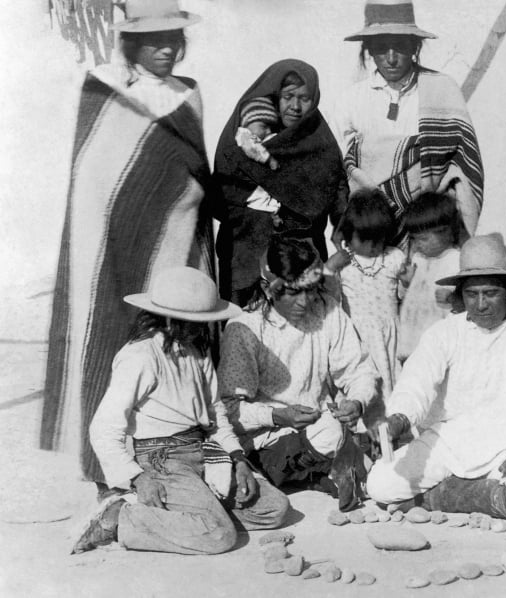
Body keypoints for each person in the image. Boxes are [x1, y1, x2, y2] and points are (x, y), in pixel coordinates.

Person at [42, 0, 215, 493]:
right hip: (115, 247)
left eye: (173, 39)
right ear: (133, 41)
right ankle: (109, 470)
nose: (165, 47)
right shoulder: (104, 85)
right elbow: (93, 176)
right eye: (154, 39)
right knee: (117, 343)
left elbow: (194, 166)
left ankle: (182, 452)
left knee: (180, 341)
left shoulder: (189, 93)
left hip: (181, 241)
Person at [72, 267, 290, 555]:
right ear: (169, 319)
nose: (201, 328)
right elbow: (103, 429)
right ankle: (119, 517)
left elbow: (216, 415)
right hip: (162, 460)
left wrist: (238, 460)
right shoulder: (140, 356)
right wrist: (140, 478)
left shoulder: (196, 352)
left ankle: (195, 514)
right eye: (194, 322)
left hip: (201, 450)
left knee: (274, 508)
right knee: (219, 537)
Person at [366, 234, 506, 519]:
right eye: (472, 294)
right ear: (460, 294)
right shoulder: (445, 332)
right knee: (380, 485)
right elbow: (417, 382)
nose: (481, 304)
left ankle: (434, 497)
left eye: (491, 293)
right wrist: (400, 417)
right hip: (448, 441)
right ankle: (479, 495)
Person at [218, 235, 379, 511]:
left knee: (337, 433)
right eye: (294, 292)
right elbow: (229, 410)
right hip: (267, 438)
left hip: (319, 429)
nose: (305, 301)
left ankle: (316, 471)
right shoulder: (244, 328)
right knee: (338, 444)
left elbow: (358, 369)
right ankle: (312, 472)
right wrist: (276, 415)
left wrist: (357, 401)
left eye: (311, 290)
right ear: (269, 289)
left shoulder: (327, 309)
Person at [336, 0, 484, 243]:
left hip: (430, 230)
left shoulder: (443, 90)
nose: (391, 58)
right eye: (382, 47)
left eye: (401, 47)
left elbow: (464, 165)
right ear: (369, 50)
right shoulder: (351, 100)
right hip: (371, 231)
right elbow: (344, 169)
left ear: (415, 47)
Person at [214, 59, 350, 306]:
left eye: (304, 97)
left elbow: (337, 187)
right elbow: (223, 191)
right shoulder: (246, 131)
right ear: (275, 96)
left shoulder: (318, 139)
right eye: (288, 96)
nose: (295, 106)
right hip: (244, 253)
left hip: (301, 253)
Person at [327, 189, 407, 395]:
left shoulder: (394, 257)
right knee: (364, 385)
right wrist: (329, 266)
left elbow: (406, 296)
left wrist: (408, 283)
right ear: (348, 234)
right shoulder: (343, 262)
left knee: (393, 385)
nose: (372, 248)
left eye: (377, 240)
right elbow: (324, 292)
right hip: (357, 336)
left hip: (389, 336)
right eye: (364, 240)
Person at [396, 191, 462, 363]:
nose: (418, 245)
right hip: (412, 337)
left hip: (438, 343)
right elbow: (405, 296)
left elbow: (466, 301)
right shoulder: (419, 259)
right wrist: (406, 282)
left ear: (447, 232)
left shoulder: (456, 261)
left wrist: (453, 298)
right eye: (414, 239)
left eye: (424, 239)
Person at [235, 96, 281, 171]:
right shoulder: (244, 134)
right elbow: (253, 148)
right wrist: (270, 160)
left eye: (271, 127)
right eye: (264, 126)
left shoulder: (258, 135)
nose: (269, 131)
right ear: (248, 124)